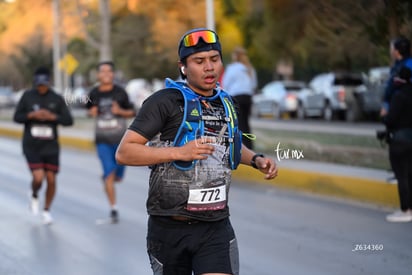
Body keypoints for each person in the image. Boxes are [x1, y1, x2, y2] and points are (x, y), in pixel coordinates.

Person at [116, 28, 278, 275]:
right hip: (169, 228)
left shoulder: (227, 102)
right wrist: (179, 153)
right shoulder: (164, 101)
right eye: (199, 61)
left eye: (214, 59)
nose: (209, 67)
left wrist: (255, 159)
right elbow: (125, 152)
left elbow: (231, 145)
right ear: (183, 67)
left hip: (215, 227)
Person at [13, 67, 74, 225]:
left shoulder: (56, 98)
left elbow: (68, 120)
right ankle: (34, 193)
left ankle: (46, 210)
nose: (41, 88)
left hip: (51, 145)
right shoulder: (27, 96)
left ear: (49, 82)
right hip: (32, 144)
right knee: (38, 177)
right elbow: (16, 117)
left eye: (44, 85)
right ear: (35, 83)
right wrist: (31, 115)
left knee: (51, 180)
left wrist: (52, 116)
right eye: (39, 85)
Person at [86, 61, 135, 223]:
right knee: (109, 174)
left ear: (113, 74)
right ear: (98, 75)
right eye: (102, 71)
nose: (106, 74)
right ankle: (114, 209)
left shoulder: (121, 93)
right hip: (102, 140)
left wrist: (120, 111)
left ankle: (110, 178)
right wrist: (91, 112)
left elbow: (132, 112)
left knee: (118, 177)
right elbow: (87, 110)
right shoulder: (93, 93)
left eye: (109, 71)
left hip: (121, 141)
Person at [382, 66, 412, 222]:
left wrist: (384, 118)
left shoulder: (399, 96)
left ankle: (405, 210)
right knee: (411, 174)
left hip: (400, 140)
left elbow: (390, 119)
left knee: (402, 176)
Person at [222, 46, 258, 150]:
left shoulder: (232, 68)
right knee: (246, 122)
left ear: (235, 56)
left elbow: (226, 83)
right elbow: (254, 84)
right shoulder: (249, 68)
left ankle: (240, 146)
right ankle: (249, 145)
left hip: (236, 97)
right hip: (248, 97)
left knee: (237, 122)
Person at [380, 36, 412, 117]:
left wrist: (386, 104)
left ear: (397, 51)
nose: (391, 51)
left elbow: (394, 85)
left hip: (403, 104)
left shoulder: (406, 66)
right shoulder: (397, 65)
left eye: (392, 48)